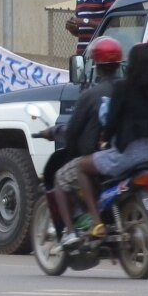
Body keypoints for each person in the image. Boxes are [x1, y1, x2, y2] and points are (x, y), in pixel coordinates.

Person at [59, 42, 148, 249]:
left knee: (81, 168)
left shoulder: (122, 87)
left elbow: (111, 122)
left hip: (130, 154)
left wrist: (105, 138)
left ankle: (97, 223)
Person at [47, 37, 124, 242]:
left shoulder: (90, 95)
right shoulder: (129, 90)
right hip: (129, 154)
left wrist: (58, 135)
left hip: (103, 158)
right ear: (118, 64)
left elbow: (73, 132)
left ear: (96, 65)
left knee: (61, 177)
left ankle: (70, 233)